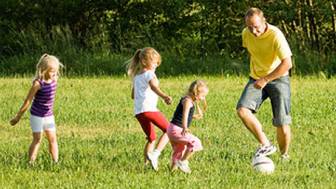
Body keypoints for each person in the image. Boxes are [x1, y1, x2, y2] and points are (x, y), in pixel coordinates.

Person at [236, 7, 293, 160]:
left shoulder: (276, 35)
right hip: (256, 78)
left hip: (278, 78)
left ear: (264, 21)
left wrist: (266, 79)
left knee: (281, 122)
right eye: (250, 27)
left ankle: (284, 156)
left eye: (256, 27)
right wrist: (259, 76)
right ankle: (266, 144)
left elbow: (287, 63)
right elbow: (253, 51)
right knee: (242, 110)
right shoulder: (245, 34)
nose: (254, 31)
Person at [10, 53, 63, 164]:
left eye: (56, 71)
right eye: (52, 71)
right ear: (44, 70)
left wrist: (54, 73)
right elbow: (28, 101)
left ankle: (56, 162)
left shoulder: (55, 79)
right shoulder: (38, 84)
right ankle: (30, 163)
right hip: (37, 116)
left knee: (53, 139)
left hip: (49, 116)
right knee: (37, 139)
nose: (55, 74)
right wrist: (18, 117)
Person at [127, 47, 172, 171]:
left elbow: (132, 95)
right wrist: (164, 96)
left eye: (157, 63)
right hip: (149, 109)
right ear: (144, 62)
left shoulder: (137, 77)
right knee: (169, 130)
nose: (156, 65)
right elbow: (153, 87)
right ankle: (156, 153)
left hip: (139, 112)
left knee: (151, 138)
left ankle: (147, 165)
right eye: (154, 62)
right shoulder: (150, 74)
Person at [167, 80, 208, 173]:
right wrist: (185, 127)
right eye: (202, 96)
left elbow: (184, 114)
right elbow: (185, 114)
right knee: (195, 142)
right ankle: (183, 161)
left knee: (179, 150)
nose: (203, 98)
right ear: (195, 93)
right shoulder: (188, 101)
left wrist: (194, 116)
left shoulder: (187, 100)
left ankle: (172, 171)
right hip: (177, 129)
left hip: (172, 129)